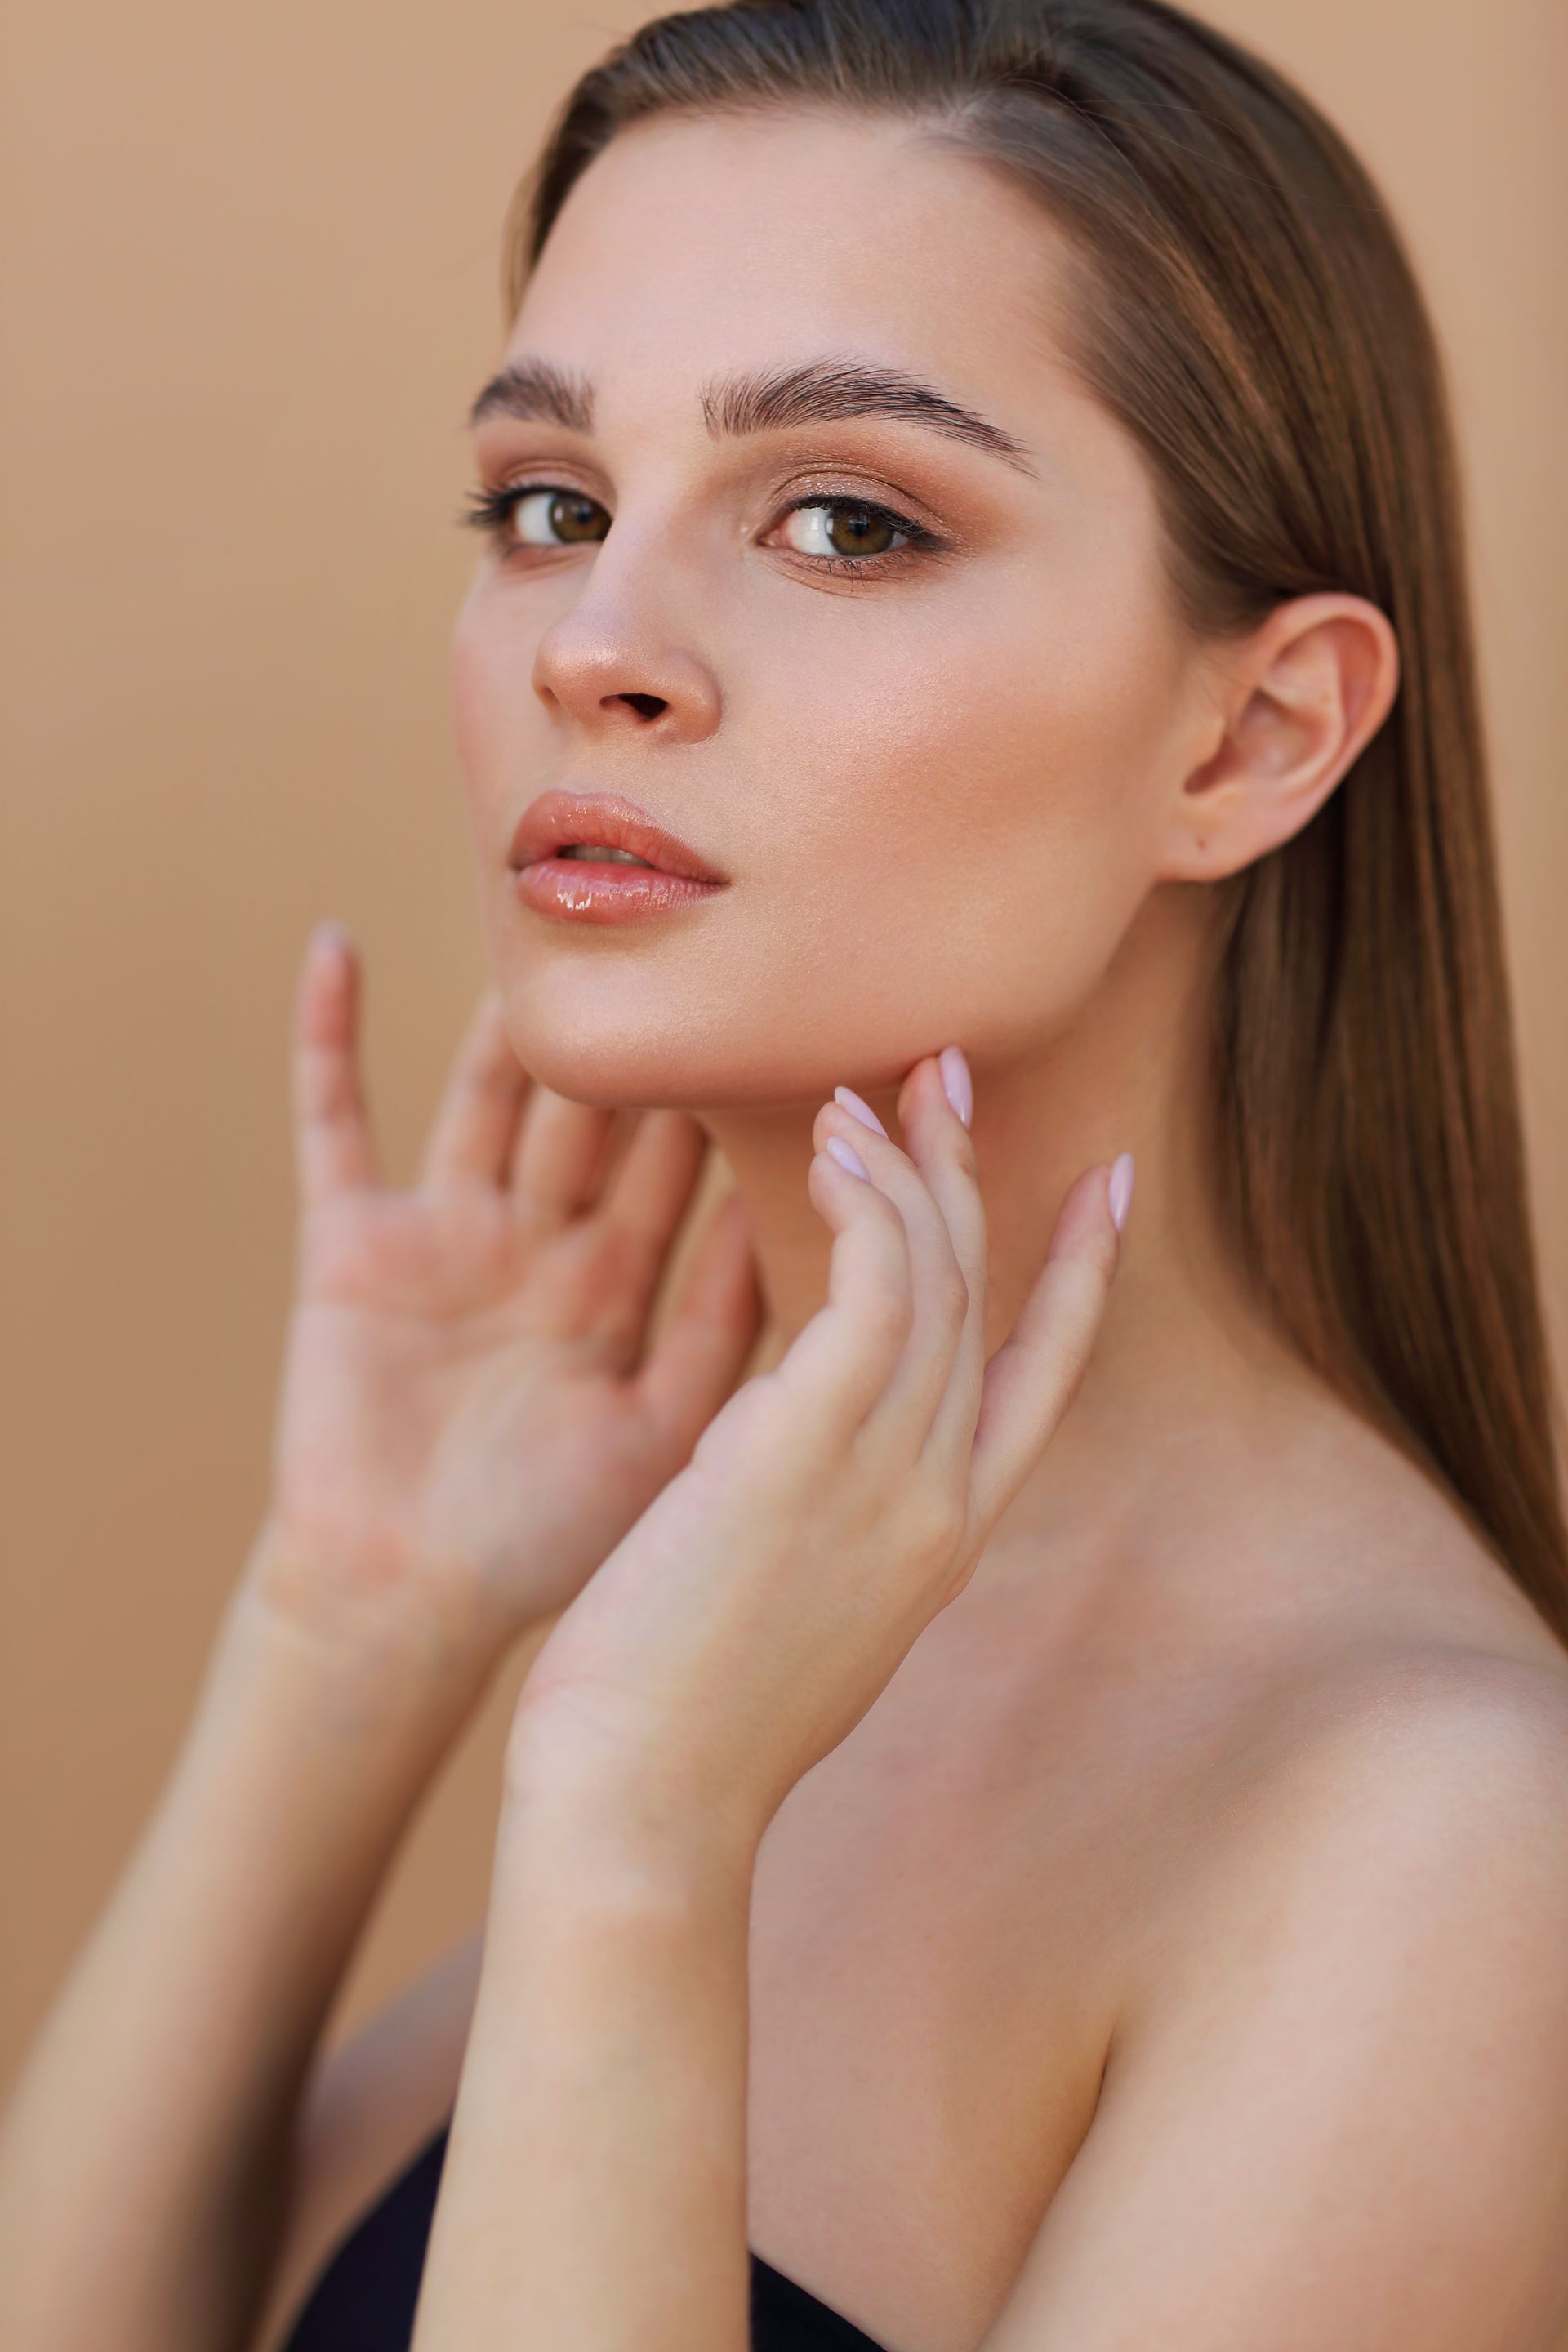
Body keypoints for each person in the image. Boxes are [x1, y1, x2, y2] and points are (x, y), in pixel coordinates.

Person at [4, 0, 1568, 2344]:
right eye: (549, 506)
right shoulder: (790, 1615)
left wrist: (638, 1826)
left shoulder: (1453, 1863)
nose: (597, 648)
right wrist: (355, 1618)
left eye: (847, 520)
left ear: (1253, 734)